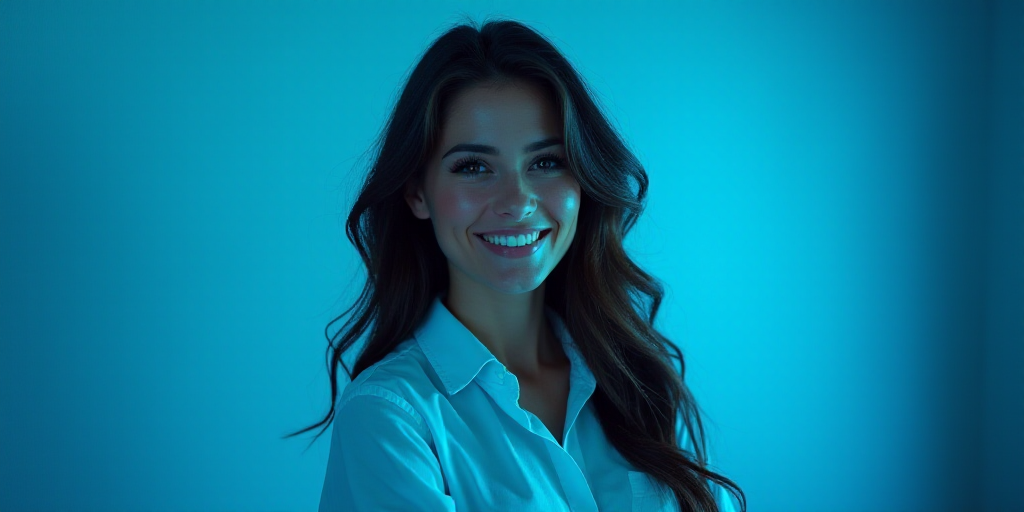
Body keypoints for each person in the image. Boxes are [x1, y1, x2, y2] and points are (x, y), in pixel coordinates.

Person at [285, 17, 746, 512]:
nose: (517, 201)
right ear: (417, 192)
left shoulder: (644, 385)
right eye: (474, 167)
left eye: (547, 161)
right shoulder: (390, 418)